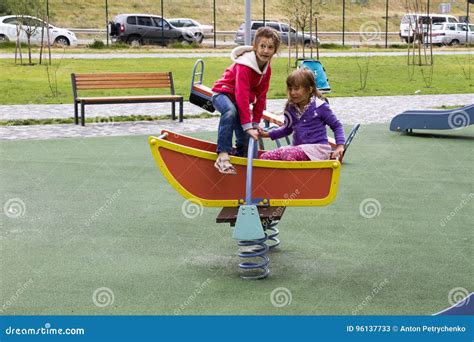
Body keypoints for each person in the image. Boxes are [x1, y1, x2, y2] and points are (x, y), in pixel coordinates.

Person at [212, 27, 281, 175]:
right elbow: (241, 95)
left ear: (275, 51)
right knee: (230, 112)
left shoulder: (267, 70)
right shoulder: (245, 66)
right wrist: (247, 125)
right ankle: (222, 155)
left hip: (238, 101)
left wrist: (255, 123)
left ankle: (242, 158)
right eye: (262, 46)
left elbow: (261, 97)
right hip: (222, 94)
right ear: (255, 46)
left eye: (270, 47)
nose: (265, 51)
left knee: (247, 135)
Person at [259, 68, 345, 161]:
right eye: (290, 89)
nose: (292, 92)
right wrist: (265, 134)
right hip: (297, 148)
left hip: (317, 149)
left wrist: (340, 146)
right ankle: (282, 175)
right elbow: (286, 129)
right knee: (265, 157)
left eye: (296, 89)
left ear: (309, 89)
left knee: (288, 153)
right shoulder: (290, 107)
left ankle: (296, 175)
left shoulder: (320, 106)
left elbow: (336, 125)